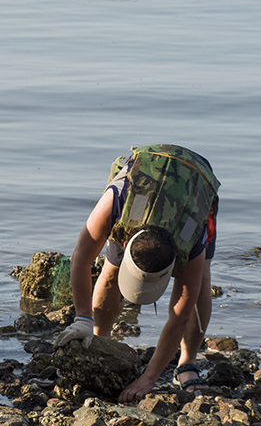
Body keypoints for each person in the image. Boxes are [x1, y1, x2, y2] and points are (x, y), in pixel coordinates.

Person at [54, 144, 220, 403]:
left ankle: (187, 363)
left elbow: (181, 316)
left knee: (201, 284)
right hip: (143, 188)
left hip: (195, 182)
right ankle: (100, 337)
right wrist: (82, 319)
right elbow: (81, 258)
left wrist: (149, 378)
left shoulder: (192, 235)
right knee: (110, 270)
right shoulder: (117, 202)